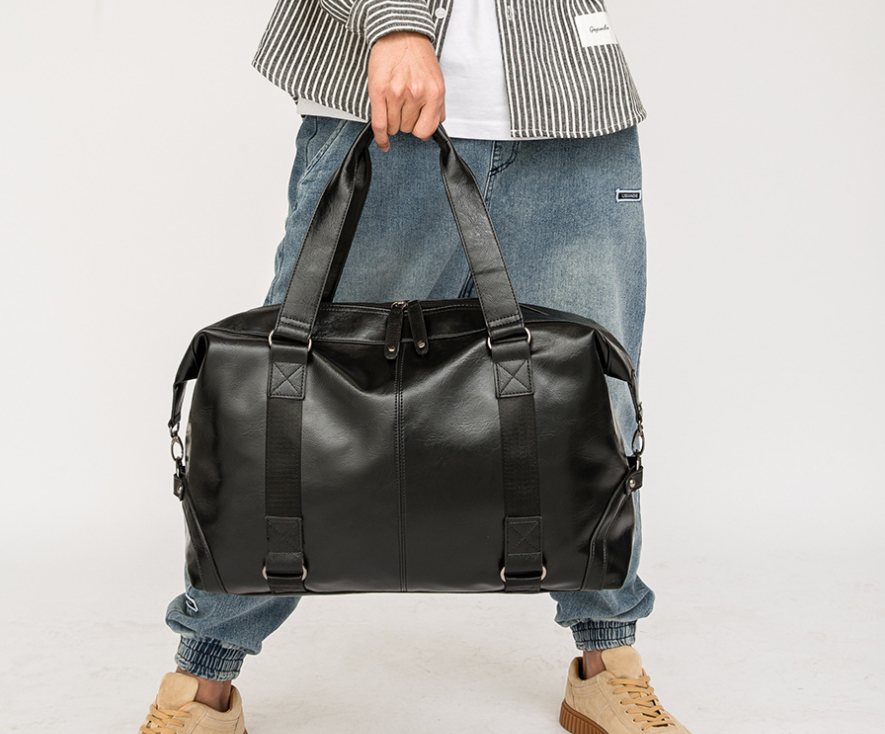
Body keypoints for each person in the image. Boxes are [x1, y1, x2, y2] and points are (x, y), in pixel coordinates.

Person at [138, 2, 692, 733]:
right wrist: (395, 21)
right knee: (289, 406)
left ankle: (607, 658)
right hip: (382, 103)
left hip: (567, 107)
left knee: (591, 410)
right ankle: (203, 677)